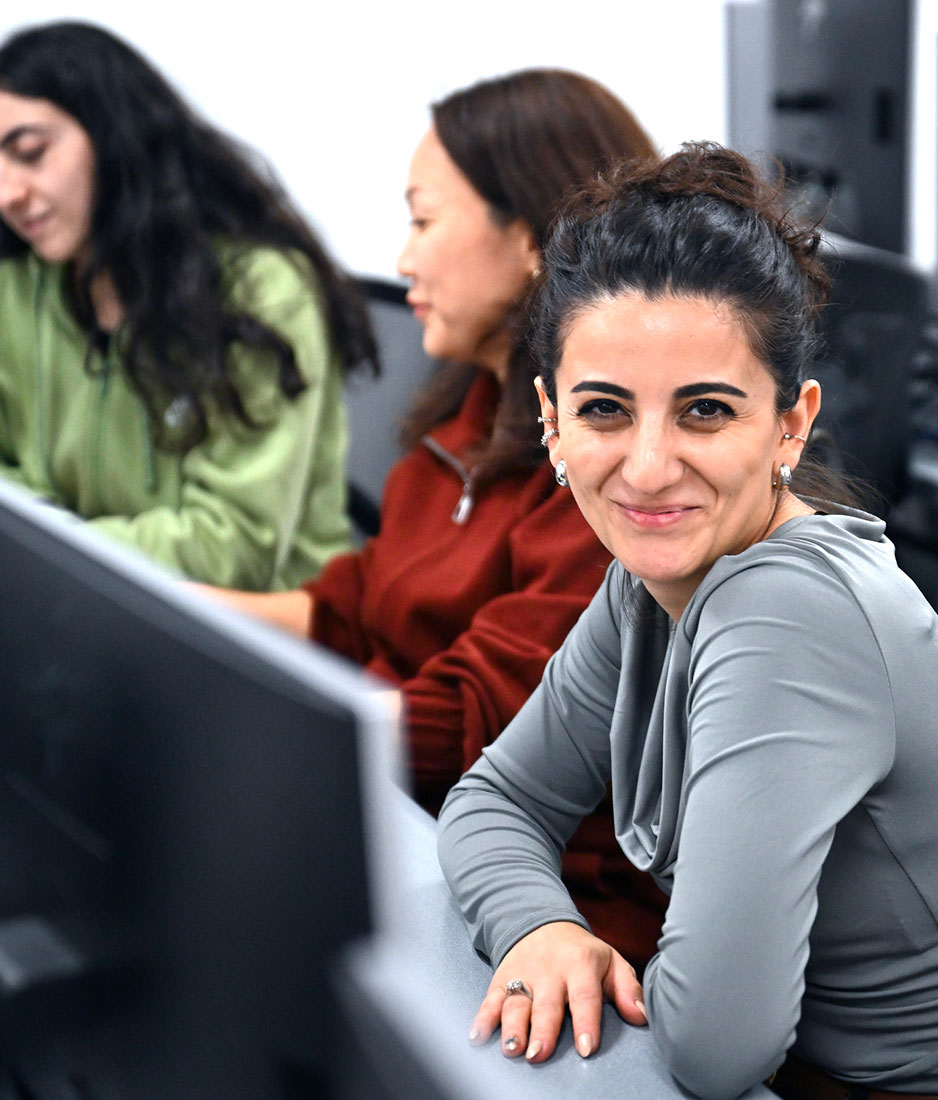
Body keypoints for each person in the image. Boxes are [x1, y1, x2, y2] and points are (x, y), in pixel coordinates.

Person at [437, 143, 938, 1100]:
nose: (648, 467)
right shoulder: (647, 587)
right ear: (551, 421)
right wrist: (541, 926)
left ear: (790, 424)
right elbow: (492, 801)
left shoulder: (788, 611)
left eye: (704, 411)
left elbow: (713, 1049)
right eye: (605, 410)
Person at [201, 69, 668, 969]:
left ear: (532, 240)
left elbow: (469, 727)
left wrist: (243, 739)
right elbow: (348, 608)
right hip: (399, 820)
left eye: (422, 221)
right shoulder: (463, 423)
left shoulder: (610, 482)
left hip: (545, 902)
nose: (404, 261)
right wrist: (166, 609)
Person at [0, 20, 376, 594]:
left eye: (29, 153)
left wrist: (23, 539)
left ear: (118, 137)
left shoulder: (262, 291)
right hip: (80, 608)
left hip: (246, 640)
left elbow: (233, 548)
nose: (4, 194)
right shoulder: (19, 290)